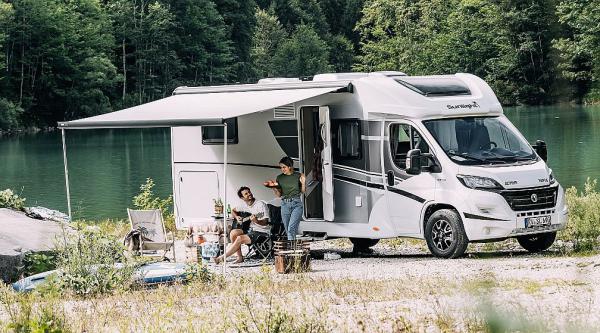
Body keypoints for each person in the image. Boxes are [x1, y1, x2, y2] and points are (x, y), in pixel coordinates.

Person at [213, 186, 270, 264]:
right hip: (251, 230)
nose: (249, 194)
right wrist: (237, 217)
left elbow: (265, 222)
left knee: (240, 238)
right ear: (242, 198)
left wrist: (256, 221)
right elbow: (233, 210)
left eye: (249, 192)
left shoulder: (260, 204)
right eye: (246, 194)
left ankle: (221, 258)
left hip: (262, 231)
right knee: (233, 233)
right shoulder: (244, 205)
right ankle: (240, 257)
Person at [264, 156, 305, 240]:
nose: (282, 169)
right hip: (284, 204)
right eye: (281, 167)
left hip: (296, 204)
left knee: (291, 229)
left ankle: (291, 250)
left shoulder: (299, 175)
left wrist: (303, 183)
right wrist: (273, 187)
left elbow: (303, 191)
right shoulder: (280, 178)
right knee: (287, 230)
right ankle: (293, 248)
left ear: (290, 166)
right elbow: (279, 195)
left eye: (284, 167)